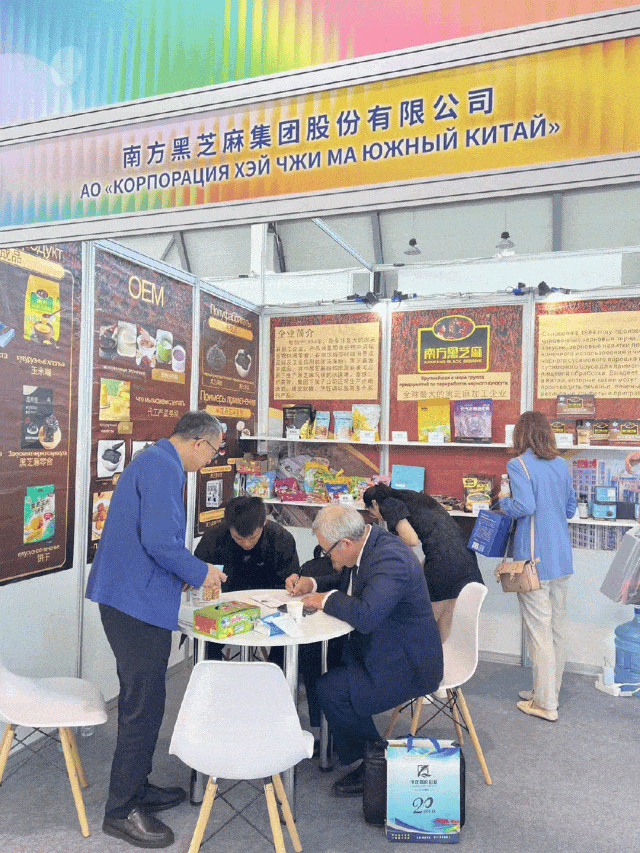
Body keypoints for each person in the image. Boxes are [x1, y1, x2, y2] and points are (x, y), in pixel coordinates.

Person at [86, 410, 227, 849]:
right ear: (199, 442)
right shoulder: (164, 467)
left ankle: (138, 786)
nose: (210, 460)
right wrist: (201, 571)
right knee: (142, 704)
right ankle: (120, 810)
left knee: (148, 699)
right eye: (213, 451)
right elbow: (160, 542)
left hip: (132, 596)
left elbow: (147, 539)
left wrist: (180, 573)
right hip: (133, 604)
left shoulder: (155, 461)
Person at [285, 505, 443, 797]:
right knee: (316, 660)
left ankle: (374, 763)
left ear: (345, 543)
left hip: (406, 664)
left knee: (331, 689)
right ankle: (337, 737)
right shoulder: (369, 544)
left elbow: (367, 615)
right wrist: (313, 584)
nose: (328, 559)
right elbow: (349, 581)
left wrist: (323, 600)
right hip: (382, 648)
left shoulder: (391, 559)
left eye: (327, 552)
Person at [498, 410, 577, 723]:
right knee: (556, 630)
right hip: (561, 558)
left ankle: (545, 704)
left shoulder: (518, 465)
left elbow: (524, 506)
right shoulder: (561, 464)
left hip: (533, 560)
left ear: (521, 434)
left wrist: (504, 500)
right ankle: (547, 692)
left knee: (539, 634)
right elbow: (570, 508)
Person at [363, 483, 484, 641]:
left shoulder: (388, 504)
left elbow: (411, 540)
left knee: (423, 619)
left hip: (444, 564)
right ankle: (439, 655)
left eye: (371, 512)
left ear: (374, 503)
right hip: (465, 558)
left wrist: (387, 541)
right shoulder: (413, 497)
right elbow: (440, 537)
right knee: (446, 616)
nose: (376, 517)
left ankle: (420, 655)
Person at [194, 495, 300, 661]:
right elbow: (197, 578)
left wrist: (293, 582)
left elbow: (291, 581)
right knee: (204, 637)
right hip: (223, 608)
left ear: (264, 522)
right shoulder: (213, 539)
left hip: (269, 608)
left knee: (287, 636)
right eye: (238, 538)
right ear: (228, 526)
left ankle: (275, 674)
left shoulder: (281, 539)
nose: (246, 544)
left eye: (252, 538)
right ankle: (213, 674)